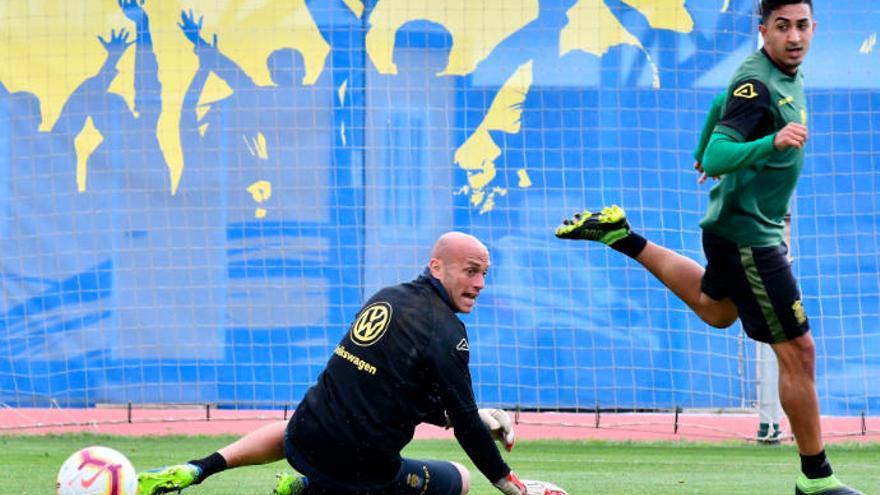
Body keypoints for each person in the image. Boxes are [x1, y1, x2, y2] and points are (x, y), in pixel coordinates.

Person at [555, 2, 863, 494]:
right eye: (782, 27)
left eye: (802, 26)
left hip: (738, 230)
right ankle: (816, 480)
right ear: (763, 31)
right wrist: (766, 144)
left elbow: (717, 110)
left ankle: (622, 237)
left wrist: (703, 146)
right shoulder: (758, 82)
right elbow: (724, 150)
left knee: (716, 309)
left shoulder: (782, 73)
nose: (794, 37)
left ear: (813, 28)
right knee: (799, 352)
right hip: (749, 237)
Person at [138, 232, 564, 495]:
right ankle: (311, 489)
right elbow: (466, 426)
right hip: (357, 470)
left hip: (301, 438)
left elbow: (392, 392)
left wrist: (467, 416)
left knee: (305, 425)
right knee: (460, 479)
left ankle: (198, 469)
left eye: (485, 274)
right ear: (437, 266)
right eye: (471, 271)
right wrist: (511, 484)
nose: (480, 284)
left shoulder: (388, 296)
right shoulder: (447, 332)